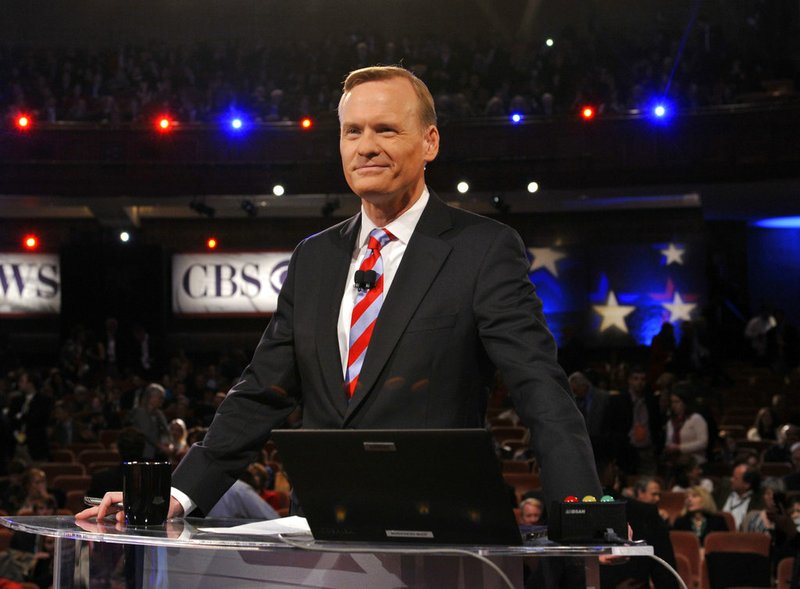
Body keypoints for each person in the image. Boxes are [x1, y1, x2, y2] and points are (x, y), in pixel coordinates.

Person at [80, 65, 600, 523]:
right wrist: (174, 494)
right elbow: (261, 391)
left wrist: (581, 507)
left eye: (386, 130)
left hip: (439, 530)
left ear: (430, 142)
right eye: (352, 132)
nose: (365, 146)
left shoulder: (482, 249)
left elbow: (540, 388)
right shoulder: (314, 258)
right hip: (322, 526)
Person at [663, 383, 709, 466]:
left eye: (677, 402)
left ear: (685, 402)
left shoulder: (696, 419)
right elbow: (669, 441)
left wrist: (679, 448)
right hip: (677, 463)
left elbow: (703, 443)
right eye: (672, 402)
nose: (674, 405)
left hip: (696, 463)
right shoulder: (671, 422)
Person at [124, 383, 170, 460]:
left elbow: (166, 430)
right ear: (151, 397)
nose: (162, 401)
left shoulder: (159, 414)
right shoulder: (140, 412)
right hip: (143, 454)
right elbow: (146, 433)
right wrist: (161, 447)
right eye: (160, 398)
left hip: (156, 454)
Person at [716, 461, 765, 530]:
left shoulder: (759, 501)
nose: (731, 480)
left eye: (735, 478)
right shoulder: (722, 490)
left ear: (747, 485)